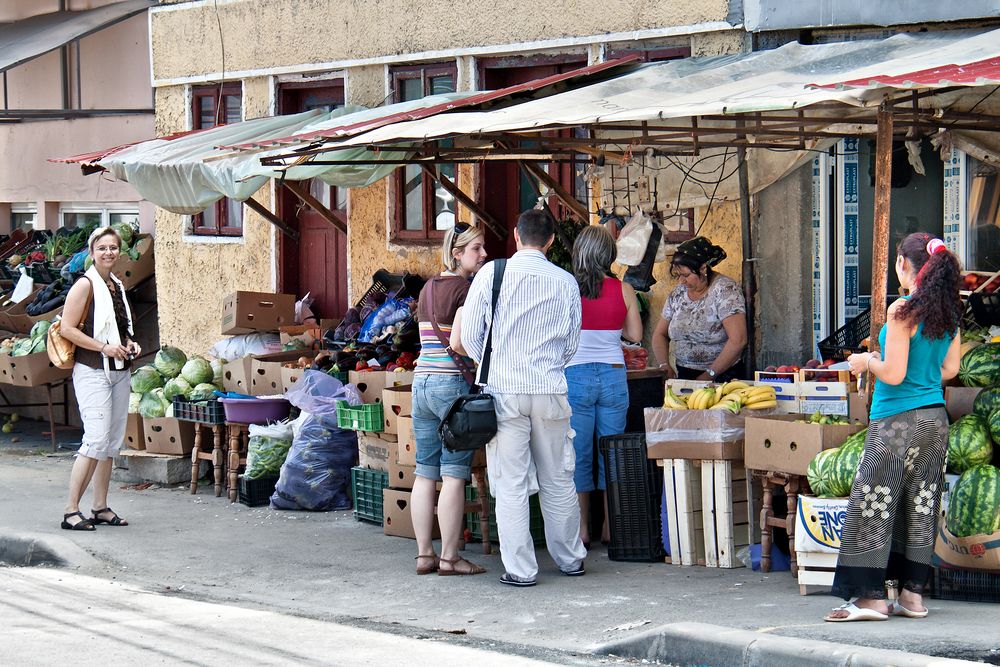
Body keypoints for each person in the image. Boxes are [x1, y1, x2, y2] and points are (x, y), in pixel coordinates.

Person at [825, 233, 962, 622]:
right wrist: (923, 376)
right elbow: (950, 370)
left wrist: (866, 362)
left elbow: (894, 373)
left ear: (904, 263)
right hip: (935, 421)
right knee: (921, 505)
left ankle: (870, 599)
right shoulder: (948, 312)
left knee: (872, 503)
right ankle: (912, 597)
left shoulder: (904, 309)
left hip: (896, 422)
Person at [462, 209, 588, 587]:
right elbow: (571, 343)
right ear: (550, 241)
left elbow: (470, 336)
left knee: (512, 481)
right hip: (550, 390)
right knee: (558, 477)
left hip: (505, 392)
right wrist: (546, 366)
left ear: (516, 235)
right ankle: (570, 559)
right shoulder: (565, 281)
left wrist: (496, 362)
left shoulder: (492, 274)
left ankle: (520, 569)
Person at [410, 222, 488, 576]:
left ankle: (425, 554)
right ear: (457, 254)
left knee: (425, 473)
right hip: (451, 385)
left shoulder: (428, 288)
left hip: (421, 382)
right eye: (476, 249)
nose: (483, 255)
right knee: (455, 474)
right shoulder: (465, 290)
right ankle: (450, 558)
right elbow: (459, 342)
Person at [566, 226, 643, 548]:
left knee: (579, 454)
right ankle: (613, 527)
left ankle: (583, 529)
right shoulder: (623, 289)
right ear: (609, 255)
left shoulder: (567, 288)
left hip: (575, 376)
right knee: (612, 454)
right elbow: (635, 335)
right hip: (613, 375)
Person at [60, 226, 140, 530]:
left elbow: (122, 327)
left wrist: (130, 343)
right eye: (102, 248)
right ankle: (70, 511)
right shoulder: (85, 284)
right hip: (93, 371)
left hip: (119, 371)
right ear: (92, 253)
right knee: (94, 441)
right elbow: (68, 328)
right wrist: (104, 347)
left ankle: (100, 507)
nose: (109, 252)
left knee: (110, 444)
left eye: (113, 248)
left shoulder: (116, 285)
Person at [651, 236, 747, 381]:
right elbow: (660, 334)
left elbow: (738, 340)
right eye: (678, 275)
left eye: (686, 275)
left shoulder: (725, 290)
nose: (681, 281)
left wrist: (709, 375)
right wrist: (664, 365)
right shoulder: (678, 293)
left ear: (703, 268)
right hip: (684, 374)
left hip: (723, 376)